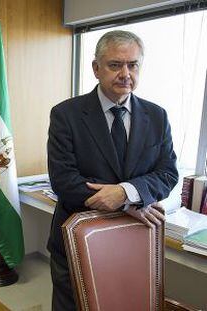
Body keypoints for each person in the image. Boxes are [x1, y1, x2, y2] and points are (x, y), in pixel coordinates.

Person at [47, 30, 178, 311]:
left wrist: (125, 194)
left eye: (133, 65)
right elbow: (64, 181)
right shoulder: (65, 114)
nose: (125, 74)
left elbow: (167, 173)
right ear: (96, 68)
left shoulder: (157, 116)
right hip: (76, 239)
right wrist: (128, 203)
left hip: (134, 240)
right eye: (115, 65)